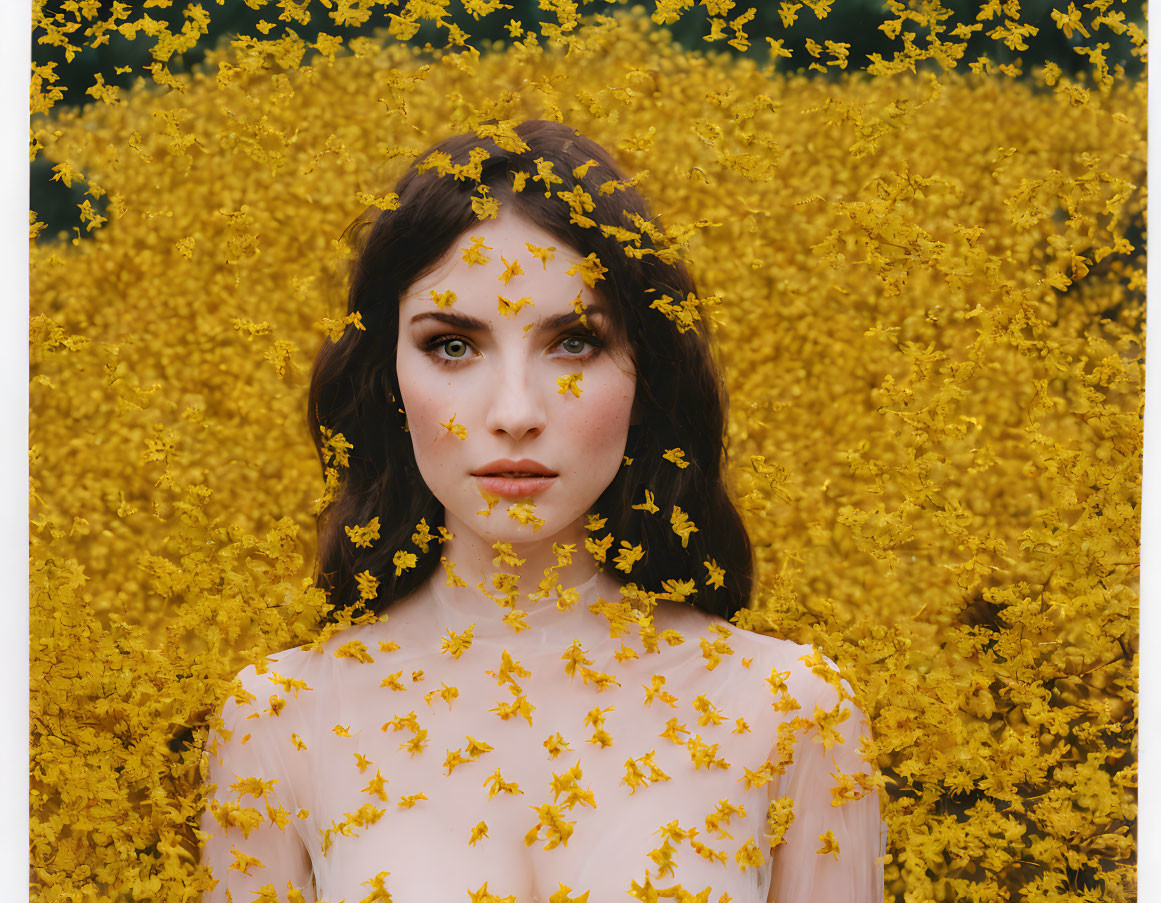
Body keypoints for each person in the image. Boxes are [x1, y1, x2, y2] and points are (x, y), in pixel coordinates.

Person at [197, 119, 886, 903]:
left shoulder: (789, 709)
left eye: (573, 343)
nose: (515, 411)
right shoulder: (279, 721)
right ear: (387, 375)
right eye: (452, 344)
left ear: (645, 374)